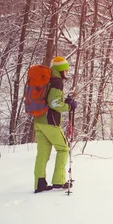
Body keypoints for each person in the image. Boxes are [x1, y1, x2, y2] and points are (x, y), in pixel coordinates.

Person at [33, 56, 78, 193]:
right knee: (63, 149)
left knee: (42, 154)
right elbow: (54, 103)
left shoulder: (46, 80)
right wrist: (69, 107)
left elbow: (49, 98)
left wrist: (65, 100)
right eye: (66, 70)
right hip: (50, 121)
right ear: (61, 70)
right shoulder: (57, 82)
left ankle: (39, 184)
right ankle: (59, 181)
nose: (67, 73)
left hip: (39, 120)